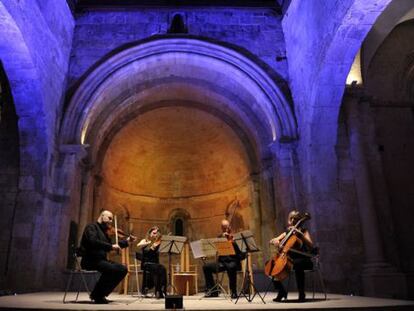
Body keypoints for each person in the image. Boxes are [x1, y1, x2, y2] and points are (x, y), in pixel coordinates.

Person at [80, 210, 136, 304]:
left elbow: (112, 246)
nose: (111, 221)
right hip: (90, 260)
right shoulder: (91, 227)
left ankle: (100, 294)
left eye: (112, 219)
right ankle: (98, 295)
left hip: (101, 261)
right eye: (109, 218)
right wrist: (110, 246)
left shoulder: (104, 232)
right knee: (111, 269)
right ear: (102, 216)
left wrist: (127, 241)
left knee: (122, 269)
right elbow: (93, 241)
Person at [269, 210, 314, 303]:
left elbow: (311, 245)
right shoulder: (287, 232)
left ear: (299, 220)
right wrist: (275, 241)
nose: (293, 220)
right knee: (271, 266)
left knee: (298, 265)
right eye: (291, 218)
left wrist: (300, 234)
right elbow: (274, 240)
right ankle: (281, 291)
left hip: (303, 258)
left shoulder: (304, 231)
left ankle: (301, 293)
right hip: (289, 259)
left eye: (295, 218)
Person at [203, 219, 244, 299]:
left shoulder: (235, 238)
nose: (225, 229)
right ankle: (213, 291)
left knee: (231, 267)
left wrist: (233, 242)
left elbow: (242, 254)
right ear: (221, 228)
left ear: (230, 227)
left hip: (233, 261)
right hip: (222, 263)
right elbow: (215, 250)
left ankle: (234, 291)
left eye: (227, 227)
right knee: (206, 267)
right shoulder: (219, 238)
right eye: (223, 227)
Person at [136, 226, 167, 299]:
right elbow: (138, 246)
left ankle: (161, 290)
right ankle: (159, 290)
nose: (155, 235)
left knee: (162, 269)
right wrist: (149, 244)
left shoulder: (158, 242)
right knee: (160, 269)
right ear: (150, 233)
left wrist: (156, 245)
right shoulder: (145, 240)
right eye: (154, 233)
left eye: (157, 233)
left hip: (155, 263)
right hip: (146, 263)